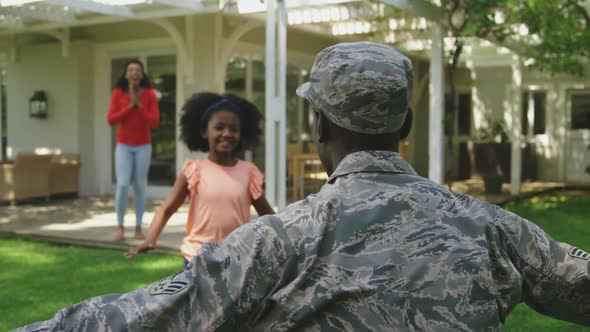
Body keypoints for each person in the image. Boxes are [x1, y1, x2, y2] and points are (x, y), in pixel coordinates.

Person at [15, 42, 590, 331]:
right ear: (405, 127)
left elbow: (143, 317)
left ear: (319, 126)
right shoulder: (496, 230)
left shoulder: (277, 241)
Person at [124, 92, 275, 266]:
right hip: (197, 259)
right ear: (204, 132)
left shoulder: (249, 172)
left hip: (237, 260)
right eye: (219, 127)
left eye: (234, 129)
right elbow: (167, 209)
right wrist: (150, 239)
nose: (227, 133)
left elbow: (269, 216)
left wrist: (286, 238)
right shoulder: (194, 170)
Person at [107, 59, 160, 242]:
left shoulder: (150, 95)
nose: (134, 72)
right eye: (131, 69)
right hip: (124, 145)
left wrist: (140, 106)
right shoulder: (117, 94)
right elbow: (111, 120)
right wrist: (129, 106)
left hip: (143, 145)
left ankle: (138, 227)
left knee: (139, 186)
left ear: (142, 74)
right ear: (126, 74)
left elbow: (154, 122)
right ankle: (120, 227)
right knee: (122, 185)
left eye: (137, 69)